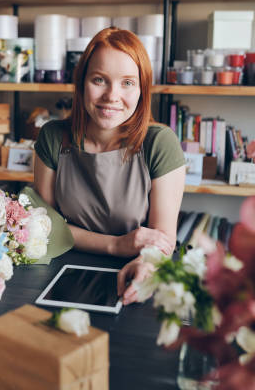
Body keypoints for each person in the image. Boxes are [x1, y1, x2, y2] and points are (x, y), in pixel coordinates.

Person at [33, 27, 186, 305]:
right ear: (81, 84)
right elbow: (43, 227)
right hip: (59, 278)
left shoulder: (160, 143)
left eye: (127, 82)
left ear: (142, 89)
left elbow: (163, 241)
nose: (112, 96)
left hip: (132, 276)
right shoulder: (53, 136)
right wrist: (116, 245)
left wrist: (148, 266)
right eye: (99, 80)